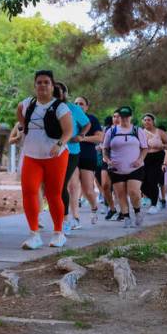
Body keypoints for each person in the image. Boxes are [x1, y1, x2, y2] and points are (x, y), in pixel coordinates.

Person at [17, 71, 73, 249]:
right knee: (29, 191)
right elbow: (19, 112)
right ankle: (34, 235)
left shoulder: (60, 107)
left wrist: (59, 144)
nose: (42, 86)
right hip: (31, 156)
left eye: (46, 82)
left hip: (55, 156)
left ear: (52, 85)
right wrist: (23, 126)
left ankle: (59, 233)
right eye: (39, 82)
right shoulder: (27, 104)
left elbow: (68, 131)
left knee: (53, 194)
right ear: (35, 85)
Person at [101, 106, 148, 228]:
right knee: (120, 194)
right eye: (122, 116)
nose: (124, 119)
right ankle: (126, 217)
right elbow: (105, 150)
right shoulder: (111, 131)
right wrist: (108, 161)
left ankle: (137, 212)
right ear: (119, 117)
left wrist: (140, 159)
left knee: (134, 192)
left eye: (127, 116)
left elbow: (144, 148)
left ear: (131, 117)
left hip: (135, 168)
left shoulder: (138, 131)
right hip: (116, 168)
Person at [56, 83, 90, 233]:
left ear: (65, 93)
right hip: (51, 151)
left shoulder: (73, 108)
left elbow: (87, 124)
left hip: (71, 151)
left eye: (59, 91)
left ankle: (65, 221)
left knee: (62, 185)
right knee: (53, 187)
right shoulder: (46, 108)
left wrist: (81, 135)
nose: (56, 93)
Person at [72, 96, 103, 224]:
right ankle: (75, 218)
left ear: (86, 107)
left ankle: (94, 207)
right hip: (72, 156)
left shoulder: (92, 119)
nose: (78, 106)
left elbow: (99, 138)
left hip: (87, 156)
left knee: (88, 190)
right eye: (76, 103)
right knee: (72, 187)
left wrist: (82, 138)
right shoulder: (69, 118)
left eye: (81, 103)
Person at [140, 113, 167, 214]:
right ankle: (157, 198)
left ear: (153, 121)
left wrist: (162, 146)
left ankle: (154, 205)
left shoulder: (159, 132)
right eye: (145, 120)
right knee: (142, 184)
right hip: (145, 158)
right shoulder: (140, 132)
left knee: (153, 181)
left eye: (149, 120)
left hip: (158, 158)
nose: (147, 122)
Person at [98, 113, 117, 220]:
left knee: (118, 188)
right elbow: (102, 143)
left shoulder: (129, 130)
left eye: (118, 116)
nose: (116, 119)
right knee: (105, 185)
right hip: (107, 160)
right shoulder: (108, 130)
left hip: (122, 162)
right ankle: (112, 208)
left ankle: (123, 211)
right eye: (114, 116)